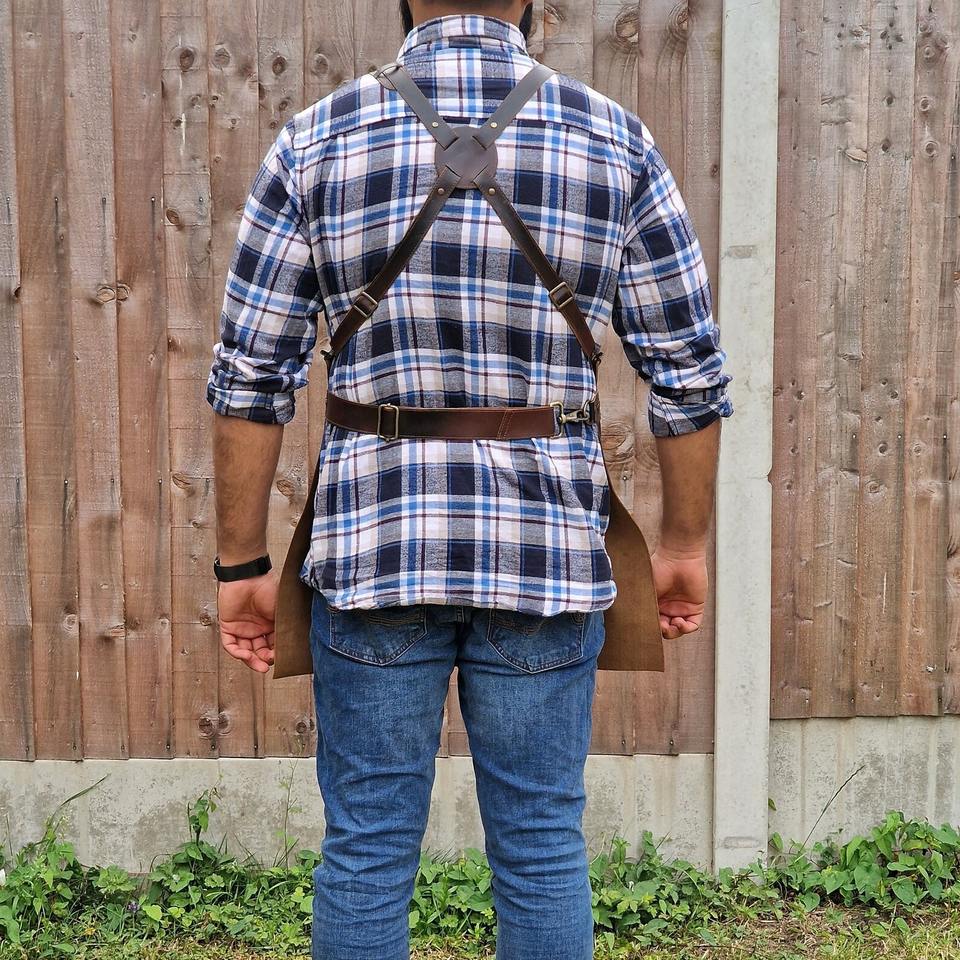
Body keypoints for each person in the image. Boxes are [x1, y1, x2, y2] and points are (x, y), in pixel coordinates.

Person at [206, 1, 733, 957]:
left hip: (374, 552)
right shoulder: (612, 139)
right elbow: (689, 375)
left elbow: (250, 379)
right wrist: (685, 545)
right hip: (545, 554)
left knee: (367, 848)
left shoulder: (316, 138)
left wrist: (240, 563)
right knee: (540, 846)